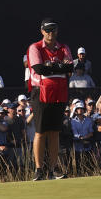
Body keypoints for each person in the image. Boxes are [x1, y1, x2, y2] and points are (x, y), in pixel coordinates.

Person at [26, 19, 74, 180]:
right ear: (42, 31)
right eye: (47, 30)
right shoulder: (35, 47)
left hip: (59, 92)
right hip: (41, 92)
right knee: (40, 132)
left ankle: (53, 170)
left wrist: (52, 66)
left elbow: (70, 67)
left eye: (53, 30)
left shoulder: (64, 47)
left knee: (55, 132)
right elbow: (39, 69)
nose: (50, 33)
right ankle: (39, 169)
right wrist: (59, 65)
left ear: (57, 31)